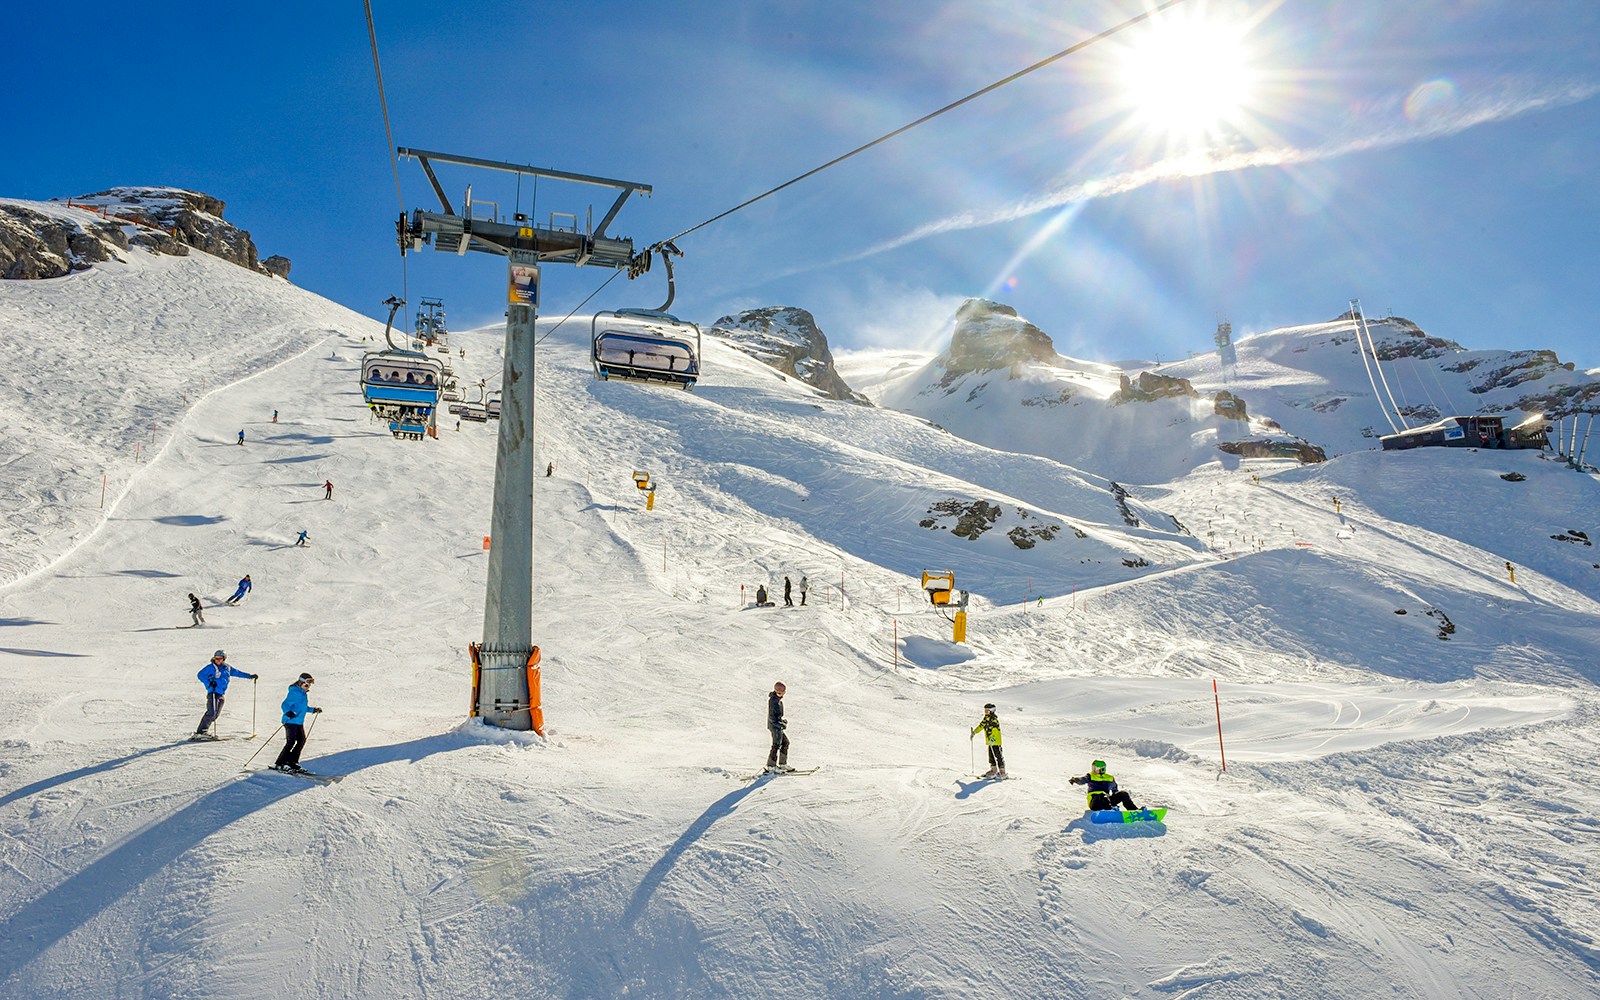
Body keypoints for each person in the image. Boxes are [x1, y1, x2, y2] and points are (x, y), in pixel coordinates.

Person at [192, 650, 257, 739]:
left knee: (216, 714)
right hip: (213, 692)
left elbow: (237, 673)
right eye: (216, 658)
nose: (218, 660)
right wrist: (209, 682)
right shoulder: (211, 667)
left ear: (224, 659)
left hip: (221, 694)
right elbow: (200, 675)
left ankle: (204, 731)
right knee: (211, 712)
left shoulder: (227, 668)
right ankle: (201, 732)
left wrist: (250, 676)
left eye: (220, 658)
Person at [272, 673, 321, 773]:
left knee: (301, 740)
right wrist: (288, 712)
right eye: (306, 685)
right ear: (301, 683)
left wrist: (313, 710)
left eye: (309, 685)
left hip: (298, 722)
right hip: (290, 721)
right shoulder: (295, 692)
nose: (308, 687)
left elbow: (303, 708)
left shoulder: (303, 694)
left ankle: (293, 762)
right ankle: (280, 763)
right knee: (291, 742)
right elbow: (284, 704)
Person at [1069, 759, 1140, 812]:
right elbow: (1082, 780)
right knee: (1102, 795)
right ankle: (1111, 809)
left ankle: (1134, 810)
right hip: (1094, 801)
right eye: (1093, 768)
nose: (1093, 770)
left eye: (1095, 768)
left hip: (1106, 800)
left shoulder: (1109, 778)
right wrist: (1075, 780)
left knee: (1123, 794)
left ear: (1102, 769)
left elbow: (1115, 789)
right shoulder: (1090, 776)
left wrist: (1116, 797)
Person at [971, 703, 1006, 778]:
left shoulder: (994, 720)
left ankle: (1002, 771)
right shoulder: (986, 719)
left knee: (998, 755)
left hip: (995, 741)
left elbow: (995, 731)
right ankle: (993, 769)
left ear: (992, 711)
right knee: (991, 756)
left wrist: (992, 739)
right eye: (985, 711)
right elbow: (981, 726)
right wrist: (974, 732)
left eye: (987, 711)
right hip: (990, 741)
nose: (986, 713)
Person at [765, 682, 791, 773]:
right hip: (774, 726)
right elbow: (772, 718)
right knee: (776, 745)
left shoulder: (778, 700)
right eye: (780, 692)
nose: (782, 694)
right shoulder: (774, 701)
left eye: (782, 692)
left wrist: (782, 721)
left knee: (785, 742)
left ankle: (782, 764)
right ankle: (771, 766)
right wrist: (780, 724)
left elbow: (777, 717)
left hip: (777, 726)